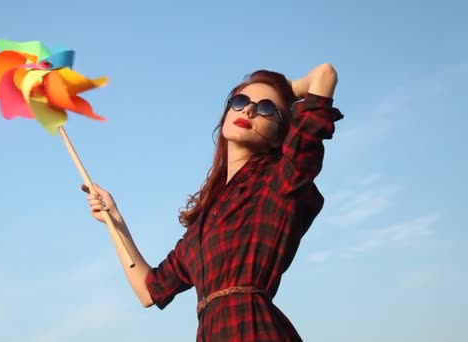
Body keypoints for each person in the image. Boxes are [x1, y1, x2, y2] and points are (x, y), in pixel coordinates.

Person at [81, 63, 343, 341]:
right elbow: (149, 291)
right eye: (240, 101)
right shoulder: (205, 222)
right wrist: (115, 220)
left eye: (267, 108)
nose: (249, 110)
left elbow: (324, 75)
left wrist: (285, 89)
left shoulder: (281, 180)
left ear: (281, 134)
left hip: (255, 331)